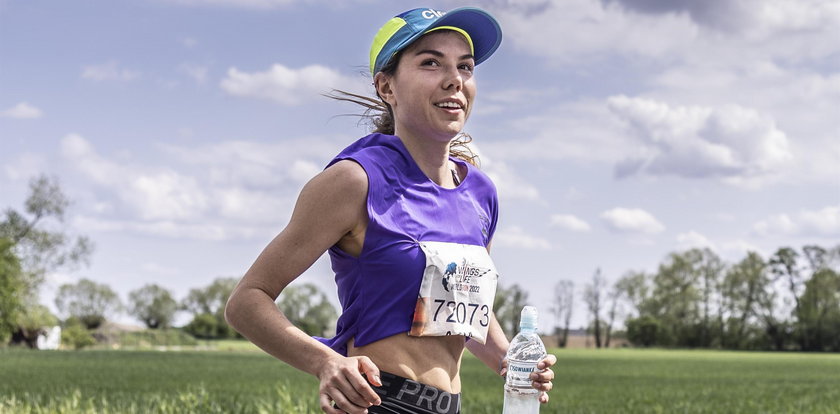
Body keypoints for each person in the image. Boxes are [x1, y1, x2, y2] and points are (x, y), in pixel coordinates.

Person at [225, 7, 556, 414]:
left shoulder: (480, 192)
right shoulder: (355, 181)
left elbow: (462, 309)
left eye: (465, 67)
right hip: (380, 402)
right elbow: (247, 302)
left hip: (448, 406)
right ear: (386, 87)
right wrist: (325, 361)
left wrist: (510, 361)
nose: (455, 79)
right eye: (431, 62)